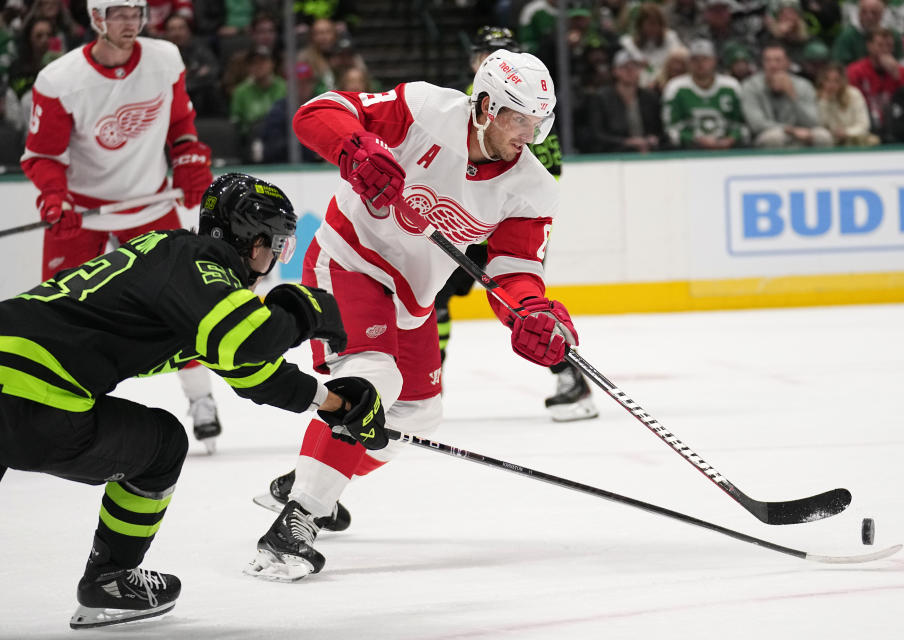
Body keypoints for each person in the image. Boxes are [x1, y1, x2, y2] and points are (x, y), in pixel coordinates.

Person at [245, 48, 583, 580]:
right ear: (487, 106)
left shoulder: (534, 189)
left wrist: (530, 311)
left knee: (417, 417)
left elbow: (514, 272)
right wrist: (356, 149)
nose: (529, 133)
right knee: (370, 382)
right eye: (520, 119)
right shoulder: (425, 109)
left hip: (412, 297)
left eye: (539, 122)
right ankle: (296, 524)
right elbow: (315, 113)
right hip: (350, 260)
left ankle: (310, 478)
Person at [0, 172, 381, 628]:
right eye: (274, 244)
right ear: (250, 240)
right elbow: (245, 340)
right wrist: (306, 311)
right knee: (162, 446)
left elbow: (251, 372)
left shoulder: (183, 271)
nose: (274, 258)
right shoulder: (197, 263)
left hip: (16, 376)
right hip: (36, 394)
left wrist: (336, 406)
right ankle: (110, 580)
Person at [20, 0, 219, 450]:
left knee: (186, 302)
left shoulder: (165, 59)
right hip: (82, 212)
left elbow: (182, 125)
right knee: (56, 314)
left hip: (149, 203)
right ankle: (48, 407)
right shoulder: (60, 80)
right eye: (119, 14)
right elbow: (43, 156)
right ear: (96, 19)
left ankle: (201, 398)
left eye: (136, 12)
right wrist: (55, 197)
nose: (130, 22)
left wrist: (189, 159)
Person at [440, 26, 597, 424]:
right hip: (463, 226)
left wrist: (501, 215)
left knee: (525, 311)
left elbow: (548, 176)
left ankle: (571, 380)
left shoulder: (526, 108)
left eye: (497, 53)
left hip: (504, 232)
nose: (484, 61)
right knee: (432, 301)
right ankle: (425, 384)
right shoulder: (466, 105)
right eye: (482, 53)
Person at [741, 42, 834, 147]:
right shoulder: (751, 86)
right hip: (769, 134)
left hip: (801, 133)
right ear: (763, 64)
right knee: (775, 137)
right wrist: (790, 130)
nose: (773, 65)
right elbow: (757, 124)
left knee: (823, 136)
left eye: (778, 60)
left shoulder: (804, 85)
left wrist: (793, 95)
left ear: (787, 63)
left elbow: (813, 122)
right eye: (768, 60)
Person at [662, 39, 750, 149]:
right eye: (695, 60)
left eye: (705, 59)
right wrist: (694, 139)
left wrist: (730, 139)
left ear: (714, 61)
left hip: (728, 149)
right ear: (689, 62)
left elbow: (743, 124)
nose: (700, 64)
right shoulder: (676, 87)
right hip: (688, 151)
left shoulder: (731, 86)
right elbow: (670, 128)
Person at [585, 48, 667, 152]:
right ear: (615, 71)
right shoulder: (601, 98)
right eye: (625, 67)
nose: (630, 71)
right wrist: (626, 142)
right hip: (614, 154)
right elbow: (597, 135)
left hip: (649, 152)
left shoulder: (650, 98)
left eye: (635, 67)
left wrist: (654, 139)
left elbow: (660, 131)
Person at [845, 27, 904, 135]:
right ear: (869, 46)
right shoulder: (855, 71)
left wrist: (896, 77)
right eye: (880, 45)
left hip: (896, 125)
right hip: (866, 122)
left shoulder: (902, 73)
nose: (884, 49)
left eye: (888, 46)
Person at [816, 62, 880, 145]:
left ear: (843, 80)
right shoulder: (819, 98)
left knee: (871, 140)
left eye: (836, 80)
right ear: (822, 81)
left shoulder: (854, 94)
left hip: (854, 138)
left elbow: (863, 125)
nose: (831, 85)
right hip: (832, 141)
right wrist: (824, 103)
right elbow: (821, 127)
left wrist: (846, 132)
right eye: (827, 80)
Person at [831, 0, 904, 66]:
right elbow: (839, 65)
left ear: (882, 14)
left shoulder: (893, 35)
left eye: (874, 13)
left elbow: (902, 62)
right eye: (864, 12)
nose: (869, 16)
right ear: (858, 12)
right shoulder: (847, 36)